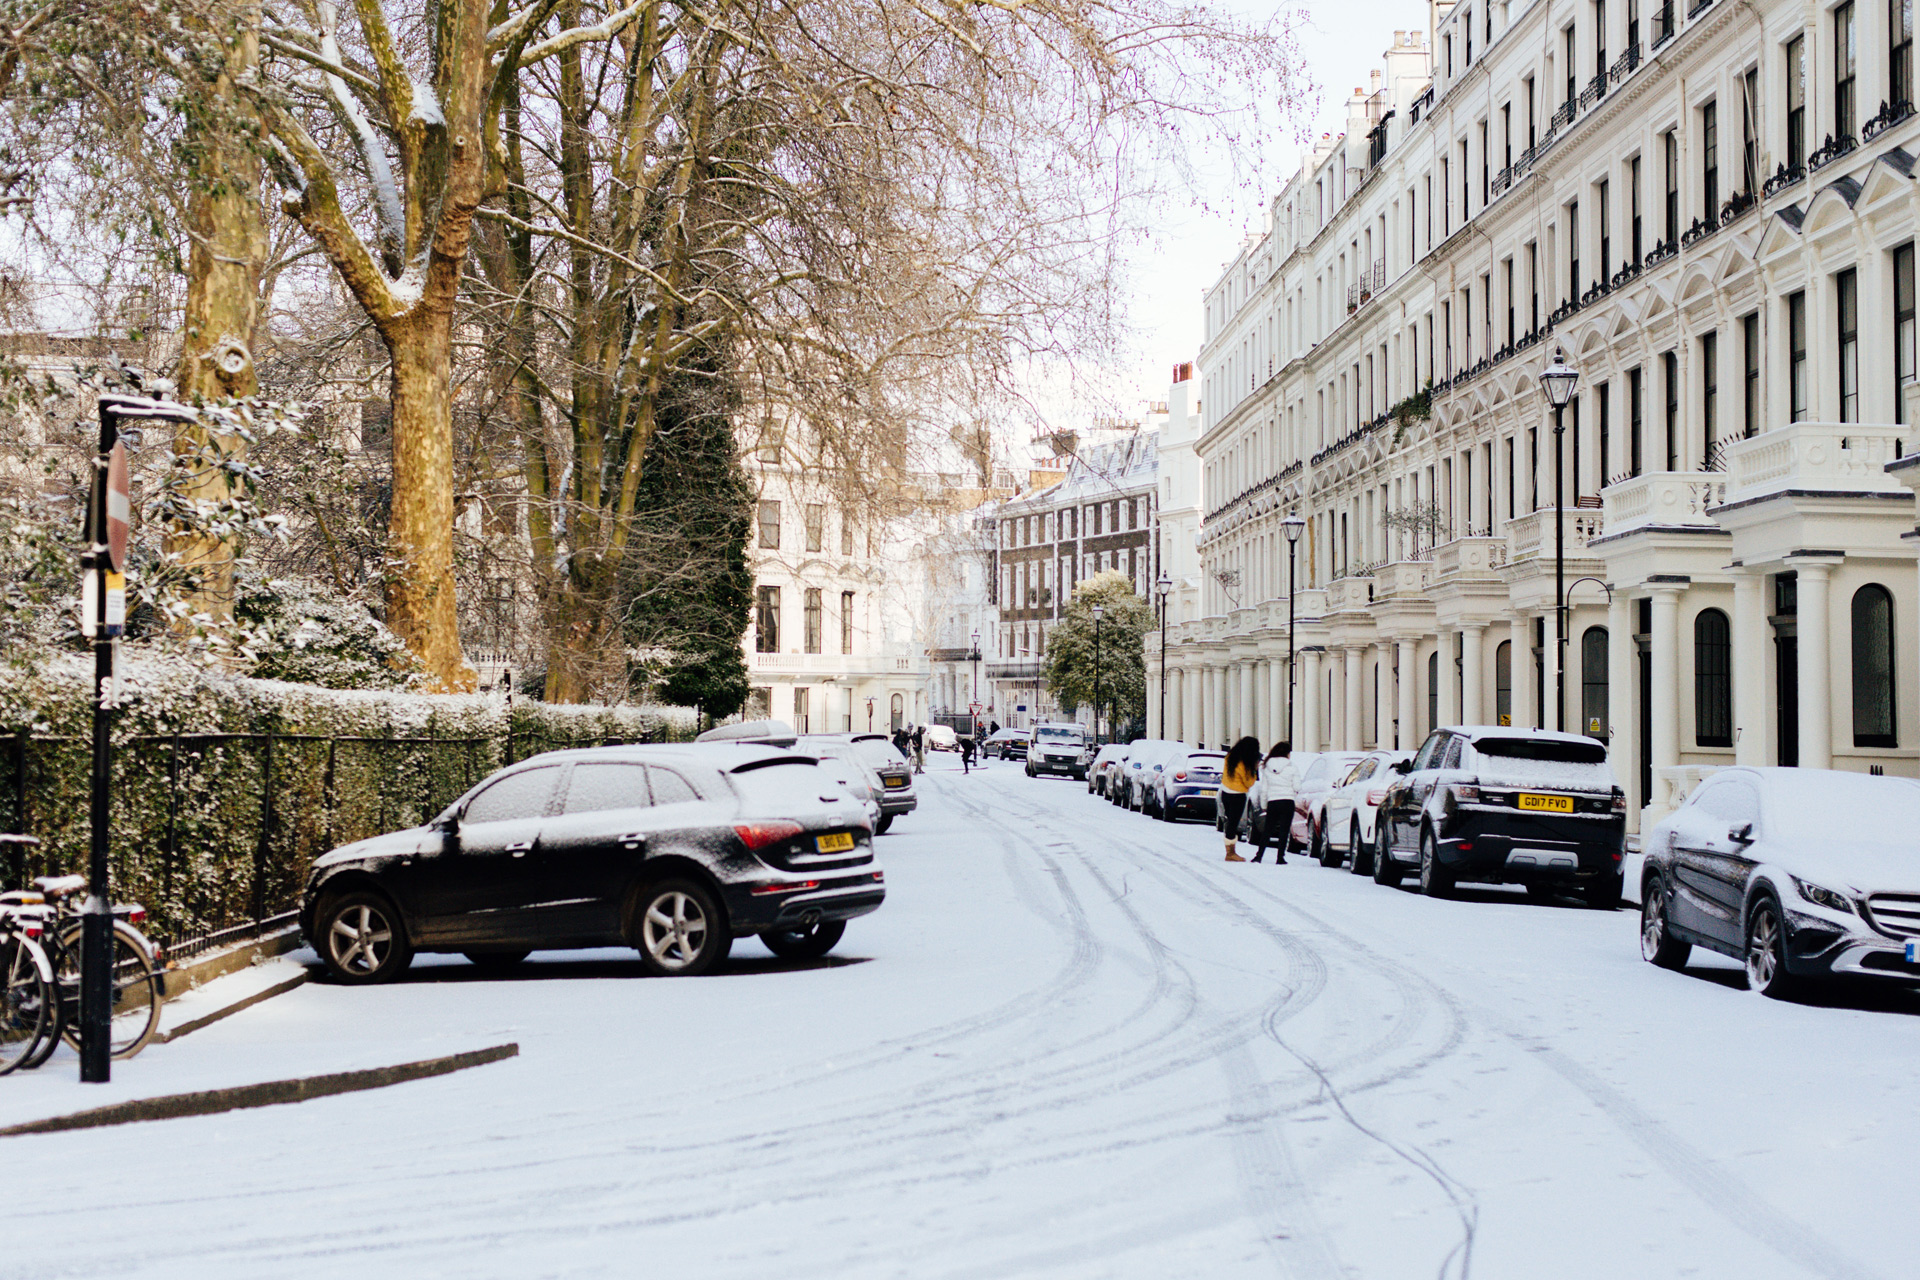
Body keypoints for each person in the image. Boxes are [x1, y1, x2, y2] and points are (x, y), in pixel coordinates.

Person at [1248, 740, 1300, 865]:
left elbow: (1264, 789)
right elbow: (1297, 787)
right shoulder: (1292, 767)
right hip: (1287, 801)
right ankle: (1280, 857)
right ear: (1287, 753)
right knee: (1284, 830)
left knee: (1267, 830)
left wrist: (1264, 805)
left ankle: (1259, 856)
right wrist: (1293, 792)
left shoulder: (1267, 768)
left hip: (1273, 802)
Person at [1218, 736, 1260, 862]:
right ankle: (1230, 853)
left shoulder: (1230, 757)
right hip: (1238, 795)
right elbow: (1248, 782)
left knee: (1229, 823)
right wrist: (1254, 771)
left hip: (1225, 792)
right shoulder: (1244, 763)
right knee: (1233, 824)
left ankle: (1230, 851)